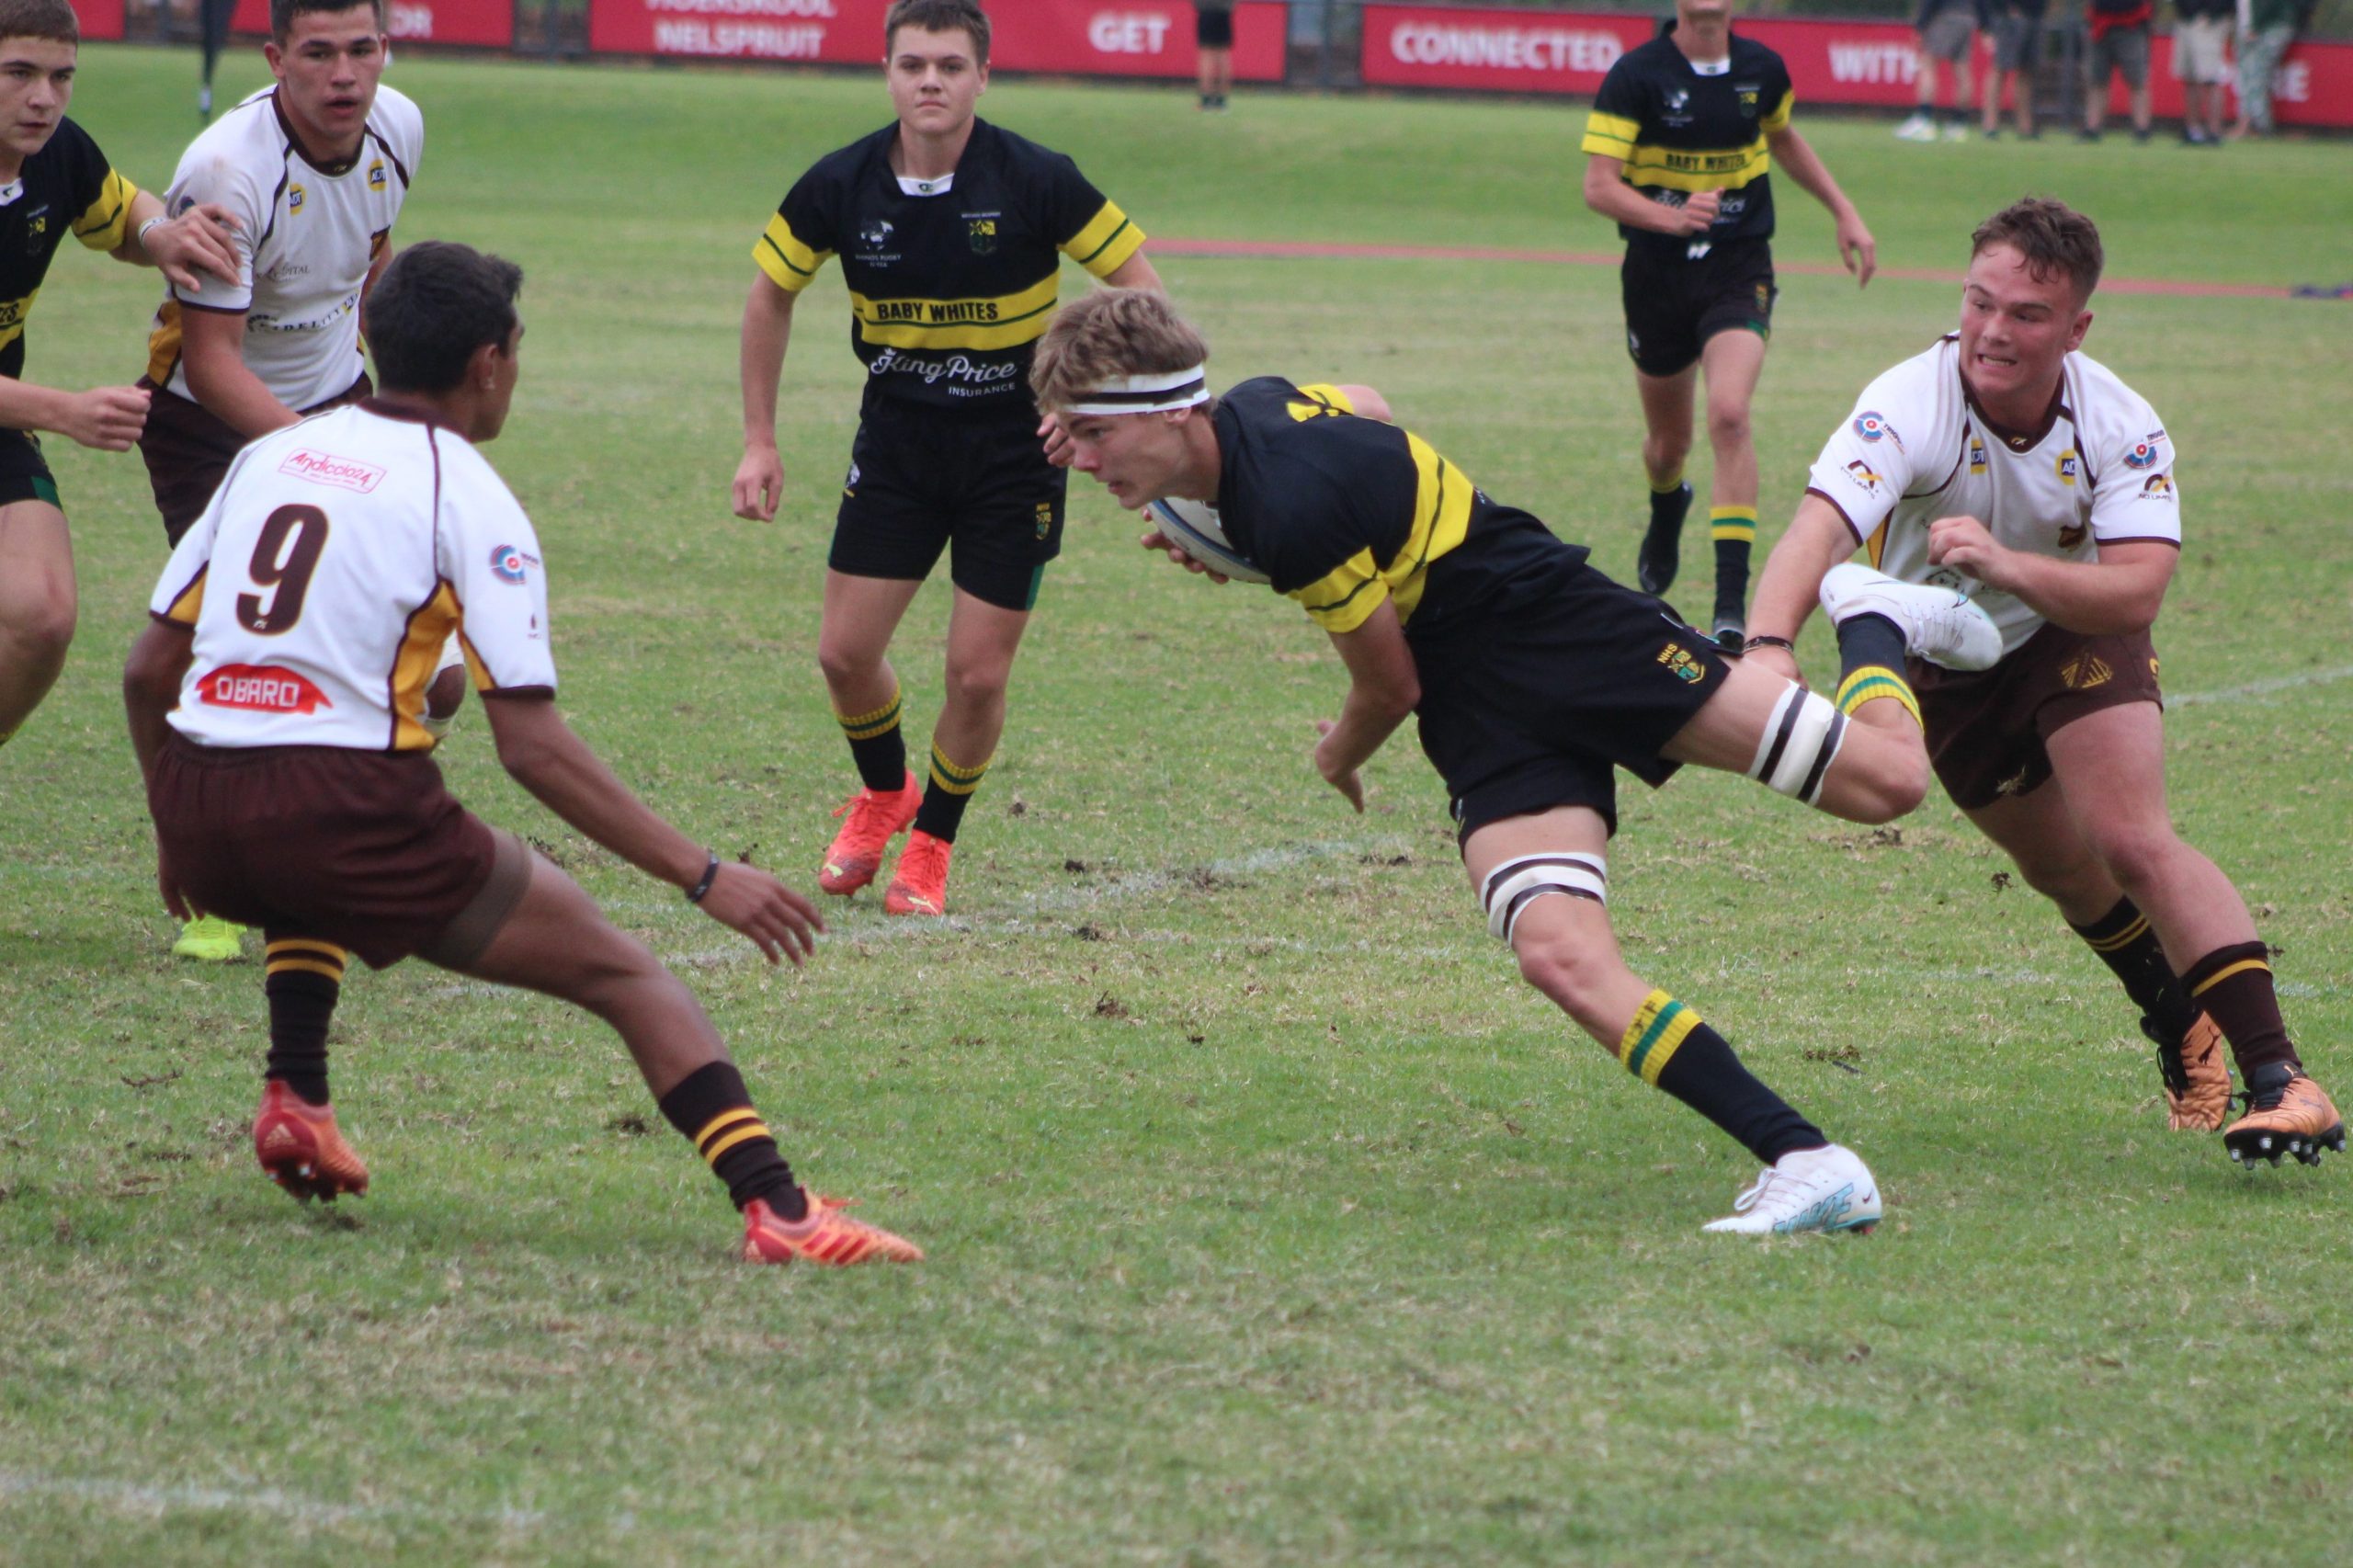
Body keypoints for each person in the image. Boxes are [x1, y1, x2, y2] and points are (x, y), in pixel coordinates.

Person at [1034, 288, 2012, 1234]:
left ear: (1169, 409)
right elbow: (1368, 406)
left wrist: (1336, 755)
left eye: (1091, 433)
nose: (1078, 458)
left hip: (1565, 630)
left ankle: (1872, 615)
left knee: (1888, 784)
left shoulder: (1289, 508)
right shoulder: (1258, 406)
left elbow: (1386, 687)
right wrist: (1237, 516)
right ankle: (1807, 1161)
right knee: (1557, 953)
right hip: (1478, 704)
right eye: (1069, 434)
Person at [122, 241, 923, 1267]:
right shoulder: (468, 493)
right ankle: (780, 1209)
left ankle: (297, 1097)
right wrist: (703, 873)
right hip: (339, 810)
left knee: (300, 857)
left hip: (199, 802)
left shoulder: (270, 456)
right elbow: (533, 748)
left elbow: (149, 670)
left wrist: (172, 827)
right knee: (631, 977)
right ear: (489, 363)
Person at [1746, 198, 2340, 1168]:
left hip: (2074, 624)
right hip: (1944, 664)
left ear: (2076, 327)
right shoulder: (1907, 400)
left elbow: (2137, 588)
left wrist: (2006, 566)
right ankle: (2178, 1023)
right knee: (2063, 871)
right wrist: (1770, 643)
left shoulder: (2119, 421)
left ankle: (2283, 1078)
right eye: (1980, 301)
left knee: (2129, 838)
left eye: (2027, 314)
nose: (1993, 330)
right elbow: (1817, 532)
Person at [733, 0, 1161, 918]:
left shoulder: (1037, 178)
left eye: (951, 66)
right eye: (914, 65)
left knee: (975, 673)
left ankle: (932, 842)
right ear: (886, 73)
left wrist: (1085, 413)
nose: (931, 81)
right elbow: (770, 295)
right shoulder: (838, 184)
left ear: (983, 77)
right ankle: (885, 791)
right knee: (845, 655)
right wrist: (760, 439)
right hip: (898, 446)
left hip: (1016, 456)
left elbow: (1140, 294)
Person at [137, 0, 462, 963]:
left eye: (362, 50)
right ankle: (205, 872)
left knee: (440, 676)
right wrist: (332, 461)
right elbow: (214, 363)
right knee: (230, 661)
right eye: (318, 53)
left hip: (340, 401)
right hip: (209, 428)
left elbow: (369, 265)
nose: (344, 75)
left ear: (386, 51)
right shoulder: (227, 173)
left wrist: (393, 411)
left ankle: (355, 839)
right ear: (276, 58)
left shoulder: (399, 127)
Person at [1580, 0, 1875, 655]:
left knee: (1730, 414)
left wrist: (1844, 210)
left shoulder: (1762, 69)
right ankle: (1666, 504)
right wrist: (1672, 217)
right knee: (1668, 445)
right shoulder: (1636, 75)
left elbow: (1783, 137)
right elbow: (1599, 186)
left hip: (1738, 266)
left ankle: (1729, 607)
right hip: (1656, 276)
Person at [0, 0, 240, 758]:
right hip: (18, 407)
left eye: (61, 76)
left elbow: (123, 210)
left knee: (42, 616)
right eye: (19, 73)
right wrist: (64, 411)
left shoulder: (57, 152)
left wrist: (162, 232)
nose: (43, 97)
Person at [1895, 0, 1984, 141]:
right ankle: (1959, 125)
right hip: (1968, 17)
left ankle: (1924, 120)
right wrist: (1985, 23)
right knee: (1962, 70)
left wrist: (1920, 25)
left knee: (1928, 63)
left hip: (1946, 15)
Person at [2081, 0, 2154, 140]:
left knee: (2137, 80)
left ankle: (2142, 129)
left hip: (2132, 22)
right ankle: (2092, 128)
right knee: (2096, 81)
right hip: (2099, 23)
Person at [2228, 0, 2297, 138]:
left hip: (2271, 26)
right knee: (2248, 75)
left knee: (2256, 74)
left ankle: (2257, 125)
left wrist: (2255, 26)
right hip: (2251, 26)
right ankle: (2250, 123)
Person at [1980, 0, 2046, 137]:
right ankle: (1990, 125)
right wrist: (2006, 8)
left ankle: (2025, 127)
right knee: (2000, 69)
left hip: (2035, 15)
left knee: (2026, 71)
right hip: (2009, 17)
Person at [2170, 0, 2233, 143]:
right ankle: (2193, 131)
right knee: (2190, 78)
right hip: (2185, 19)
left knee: (2210, 78)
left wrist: (2213, 12)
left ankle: (2214, 132)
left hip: (2208, 20)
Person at [1195, 0, 1234, 111]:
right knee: (1223, 55)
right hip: (1224, 11)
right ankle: (1221, 100)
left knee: (1206, 55)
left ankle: (1206, 100)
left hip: (1206, 10)